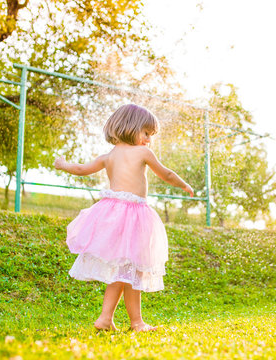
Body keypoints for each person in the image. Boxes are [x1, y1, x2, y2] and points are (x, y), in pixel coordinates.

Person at [54, 103, 194, 332]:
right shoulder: (143, 153)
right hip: (133, 216)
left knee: (124, 270)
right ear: (131, 127)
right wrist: (184, 184)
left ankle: (106, 319)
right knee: (133, 269)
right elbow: (166, 173)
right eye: (146, 133)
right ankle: (135, 322)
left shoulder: (108, 156)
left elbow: (80, 169)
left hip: (111, 215)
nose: (149, 140)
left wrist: (62, 164)